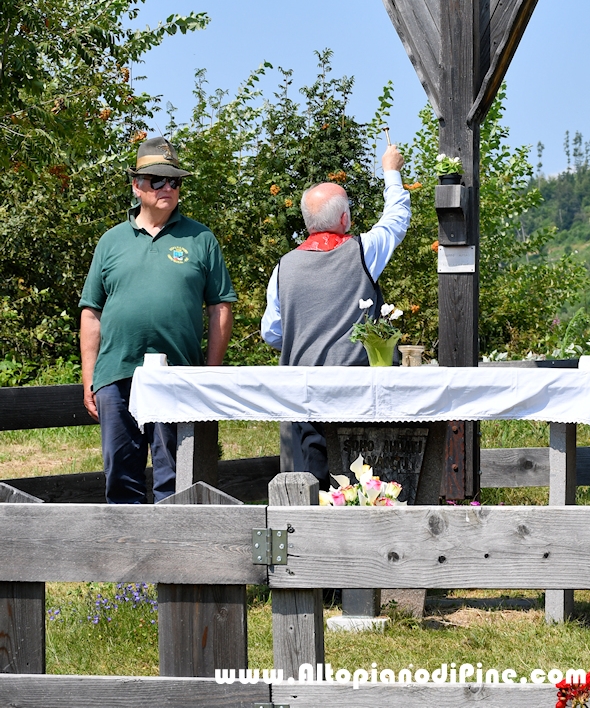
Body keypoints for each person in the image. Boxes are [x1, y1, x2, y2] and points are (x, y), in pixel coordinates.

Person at [79, 137, 236, 504]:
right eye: (157, 180)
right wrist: (90, 379)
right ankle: (126, 552)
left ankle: (172, 555)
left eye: (175, 181)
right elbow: (92, 312)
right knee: (120, 472)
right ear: (136, 185)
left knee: (175, 475)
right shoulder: (111, 241)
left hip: (177, 376)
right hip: (115, 375)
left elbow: (221, 307)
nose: (168, 187)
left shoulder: (201, 238)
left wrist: (209, 373)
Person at [260, 143, 411, 487]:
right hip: (360, 394)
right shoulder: (364, 251)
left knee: (309, 489)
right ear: (344, 219)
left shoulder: (283, 267)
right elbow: (397, 218)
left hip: (303, 395)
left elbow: (272, 332)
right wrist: (391, 170)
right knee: (364, 484)